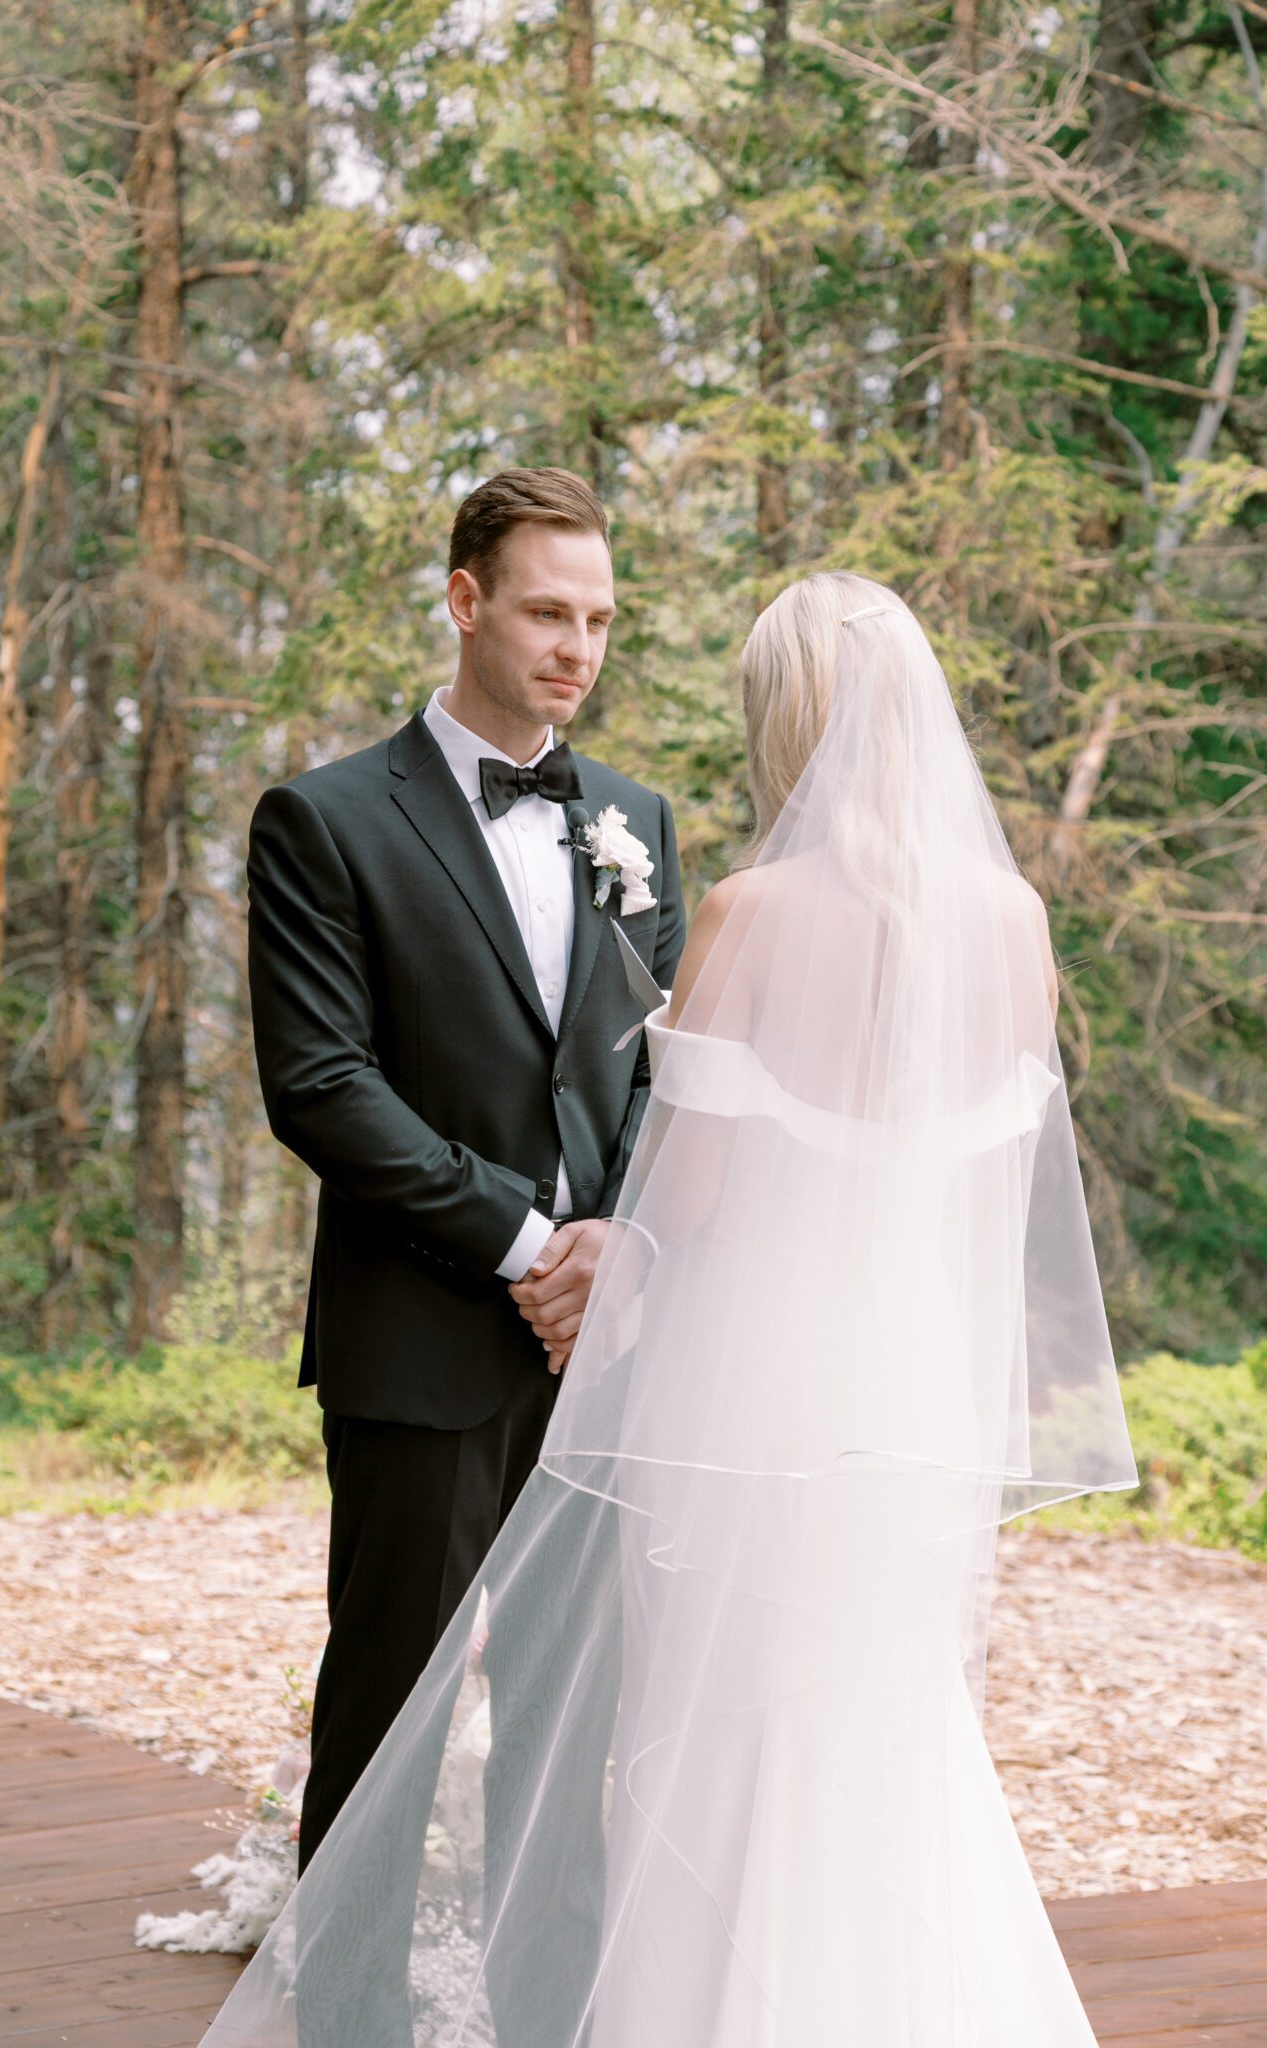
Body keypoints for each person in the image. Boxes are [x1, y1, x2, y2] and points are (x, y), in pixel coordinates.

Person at [208, 572, 1136, 2048]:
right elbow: (987, 1195)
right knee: (885, 1732)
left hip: (753, 1396)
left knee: (713, 1736)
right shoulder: (1011, 924)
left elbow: (676, 1198)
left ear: (795, 720)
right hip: (907, 1401)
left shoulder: (762, 911)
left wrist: (587, 1276)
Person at [244, 466, 686, 2032]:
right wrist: (524, 1244)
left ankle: (548, 2014)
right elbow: (320, 1086)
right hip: (420, 1342)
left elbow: (657, 1077)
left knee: (573, 1725)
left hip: (600, 1362)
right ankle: (345, 2022)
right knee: (388, 1726)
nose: (579, 648)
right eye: (549, 612)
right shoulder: (326, 819)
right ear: (464, 601)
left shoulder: (634, 821)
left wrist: (613, 1253)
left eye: (601, 620)